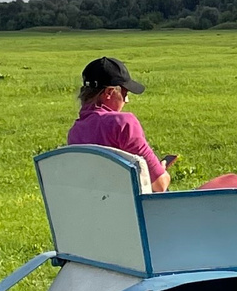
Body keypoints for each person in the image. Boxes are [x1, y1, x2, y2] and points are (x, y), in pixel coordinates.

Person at [68, 55, 174, 191]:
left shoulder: (75, 132)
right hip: (132, 209)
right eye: (125, 93)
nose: (127, 100)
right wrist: (162, 170)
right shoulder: (124, 124)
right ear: (109, 92)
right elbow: (159, 185)